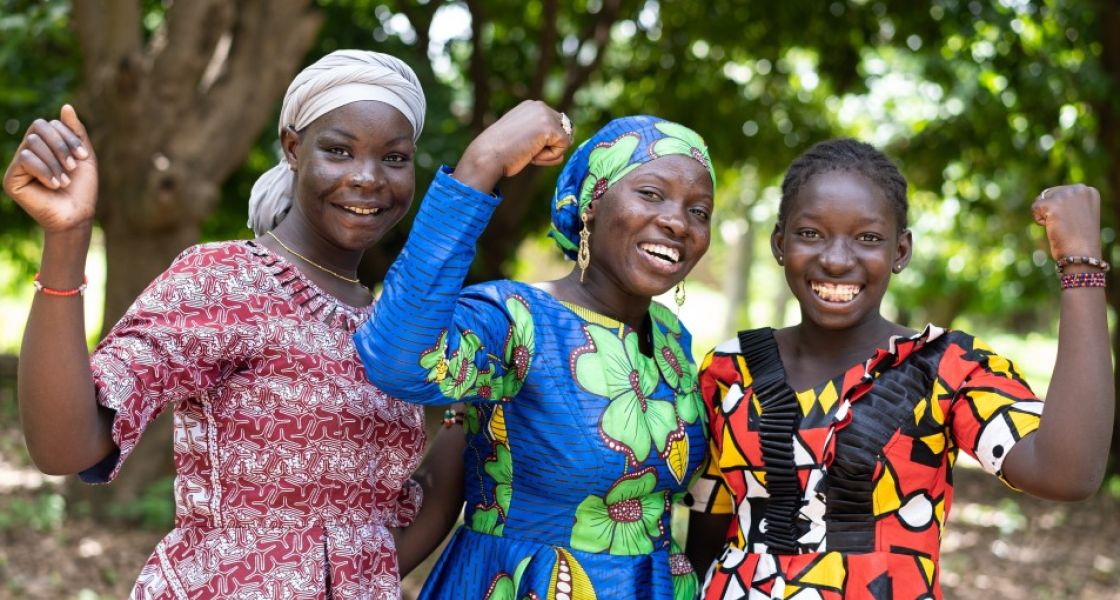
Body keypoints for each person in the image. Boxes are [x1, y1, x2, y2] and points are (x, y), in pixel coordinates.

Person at [3, 49, 460, 598]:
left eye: (394, 157)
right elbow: (66, 447)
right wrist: (68, 237)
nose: (367, 178)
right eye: (338, 151)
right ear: (293, 148)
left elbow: (376, 538)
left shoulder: (388, 325)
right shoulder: (226, 280)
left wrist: (489, 392)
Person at [685, 138, 1114, 599]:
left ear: (901, 251)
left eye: (868, 238)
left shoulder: (948, 370)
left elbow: (1068, 475)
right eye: (811, 233)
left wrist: (1079, 267)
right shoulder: (732, 369)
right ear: (779, 243)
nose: (836, 259)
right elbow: (707, 533)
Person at [354, 106, 718, 599]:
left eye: (698, 210)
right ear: (592, 202)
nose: (677, 221)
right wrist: (483, 162)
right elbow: (397, 358)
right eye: (651, 194)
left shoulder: (672, 338)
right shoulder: (517, 318)